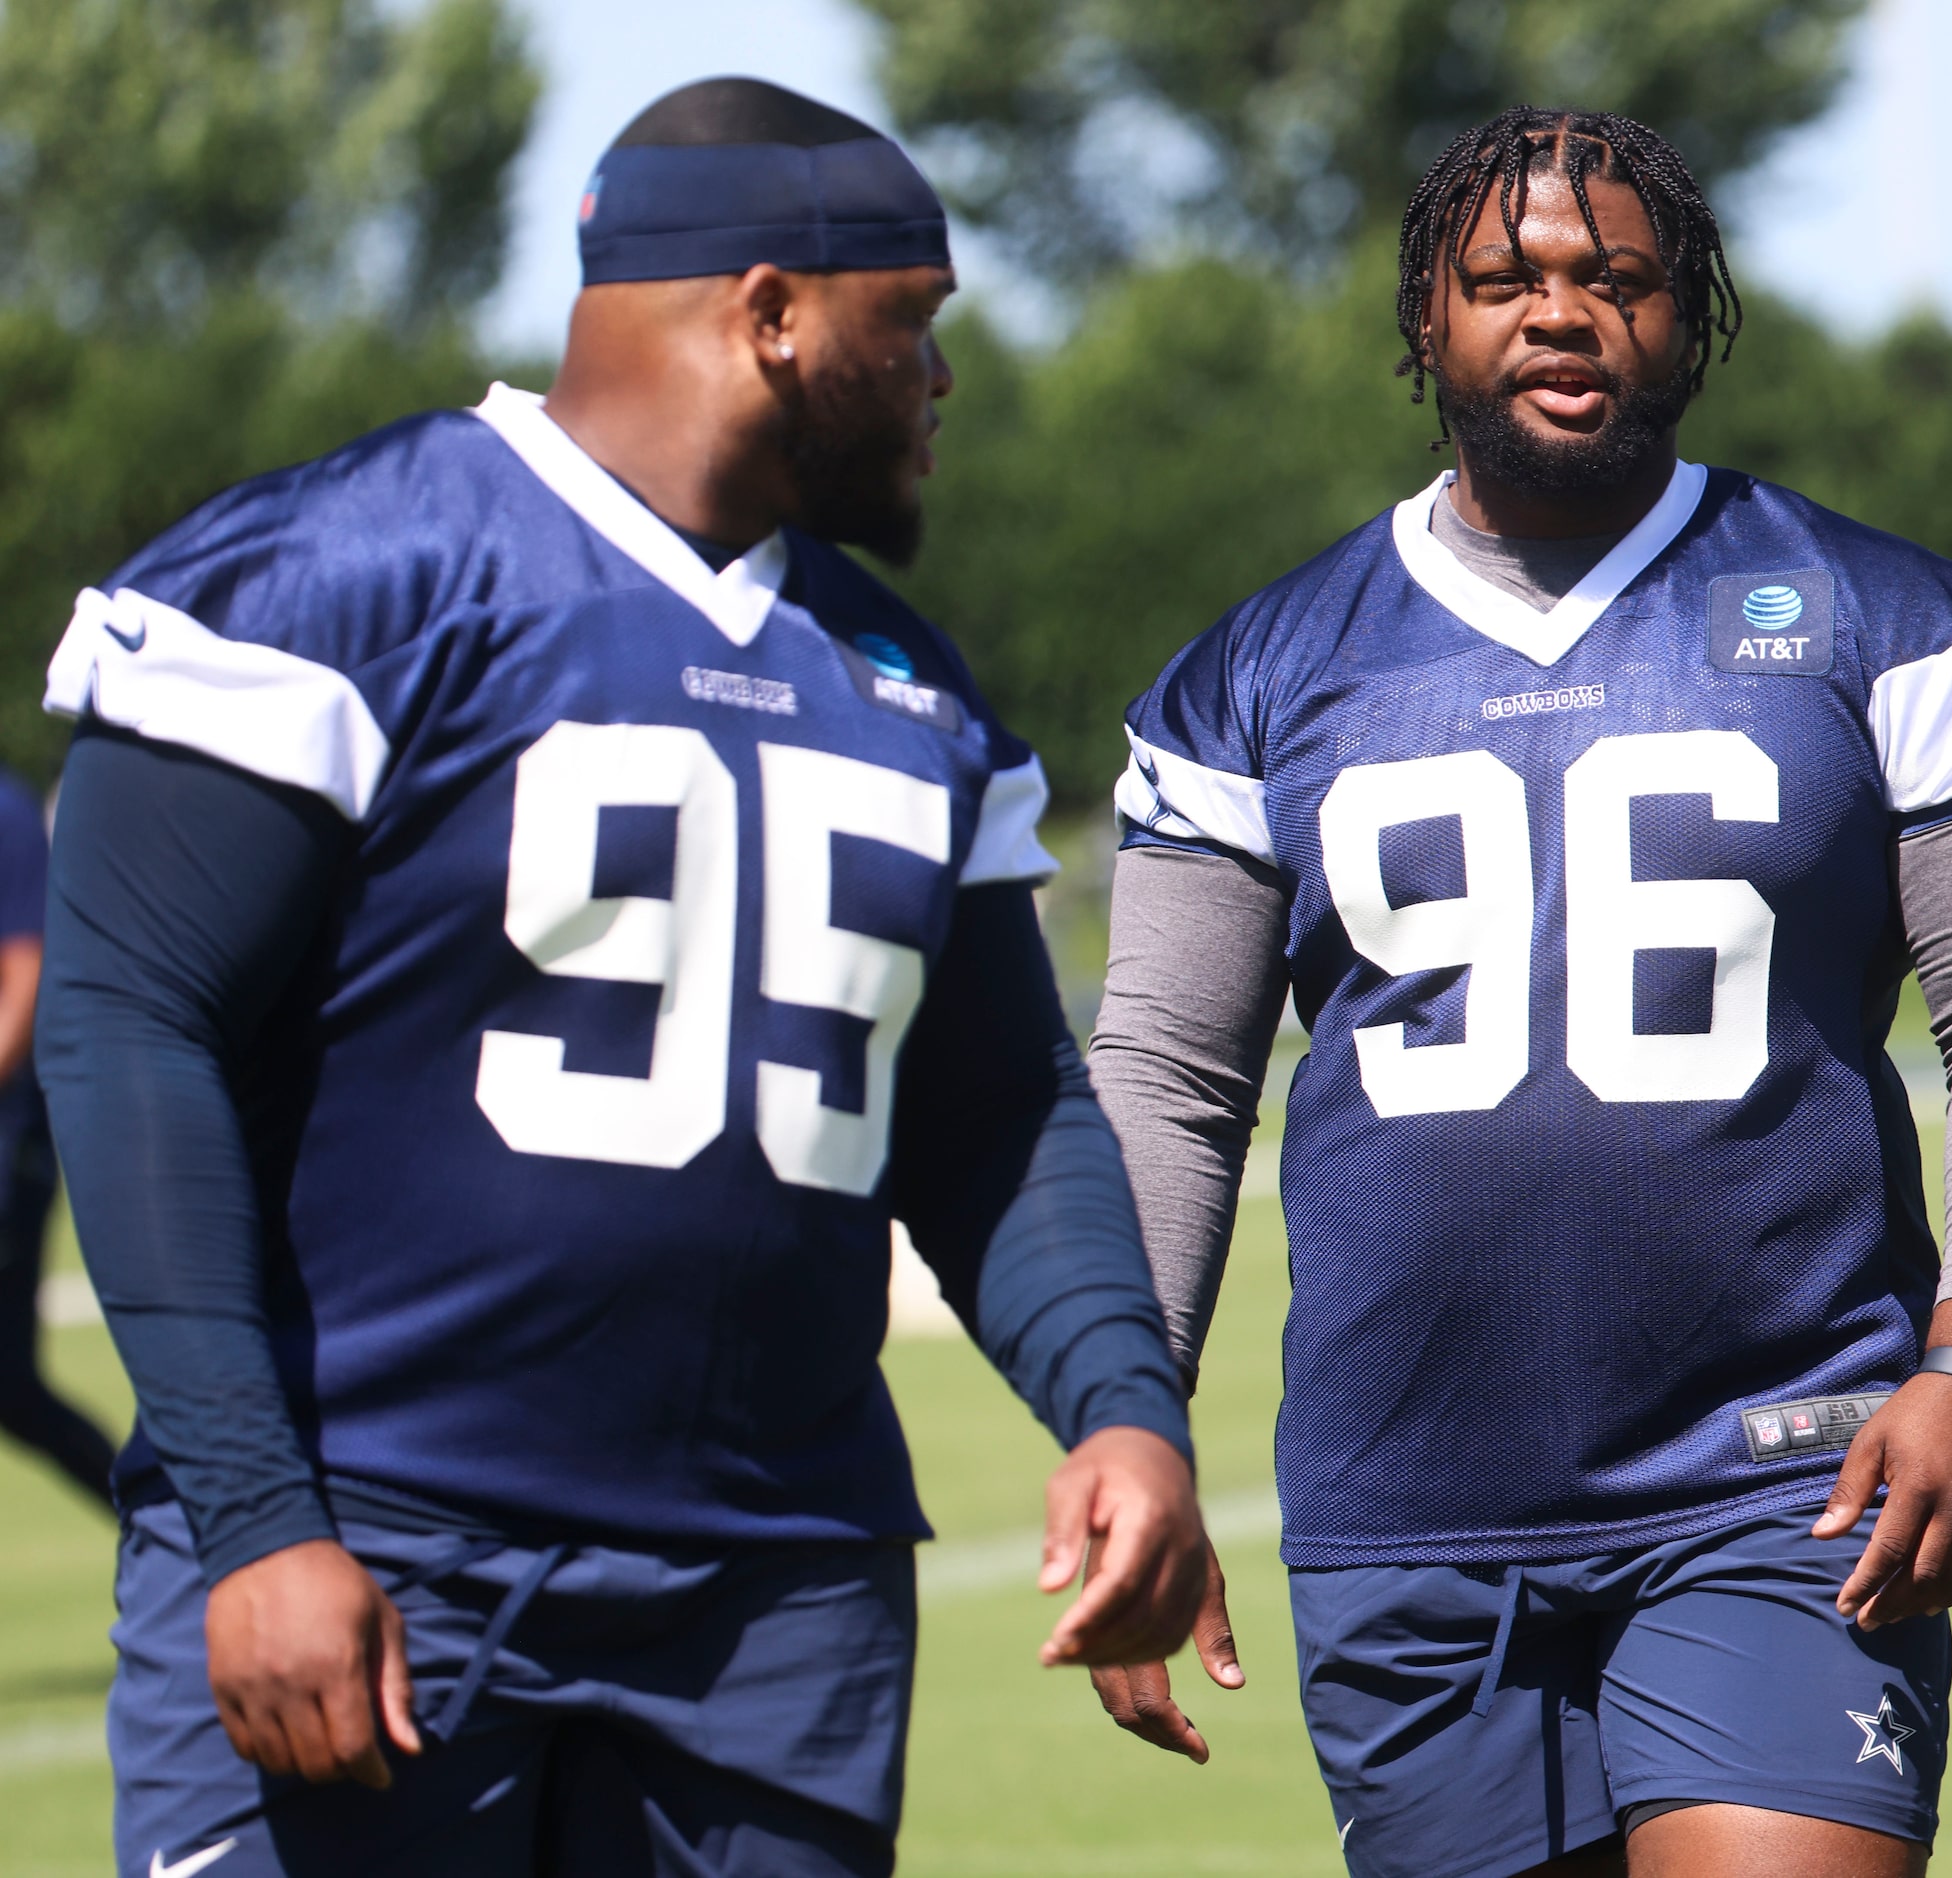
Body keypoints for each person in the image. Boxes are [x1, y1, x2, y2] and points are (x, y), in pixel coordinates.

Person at [36, 78, 1205, 1878]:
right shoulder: (333, 580)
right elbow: (131, 1032)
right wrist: (256, 1519)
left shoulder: (912, 683)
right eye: (915, 329)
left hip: (772, 1605)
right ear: (770, 313)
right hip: (375, 1547)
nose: (942, 383)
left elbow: (995, 1112)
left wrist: (1119, 1405)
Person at [1085, 106, 1952, 1878]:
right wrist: (1125, 1419)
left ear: (1688, 319)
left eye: (1616, 278)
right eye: (1506, 279)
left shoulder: (1892, 617)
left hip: (1784, 1478)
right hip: (1405, 1505)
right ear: (1428, 321)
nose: (1562, 311)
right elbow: (1169, 1077)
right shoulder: (1255, 672)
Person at [0, 767, 115, 1504]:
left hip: (8, 1143)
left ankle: (187, 1537)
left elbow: (24, 967)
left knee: (12, 1388)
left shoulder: (5, 811)